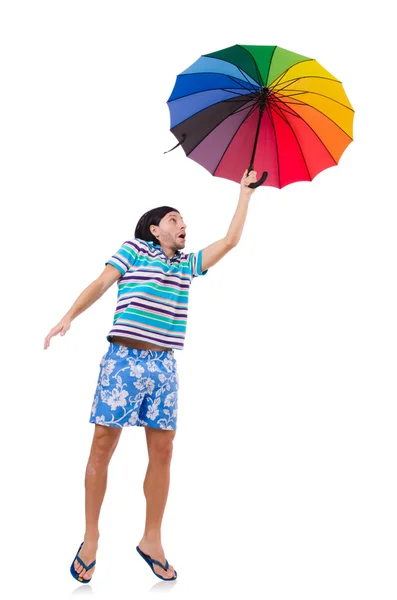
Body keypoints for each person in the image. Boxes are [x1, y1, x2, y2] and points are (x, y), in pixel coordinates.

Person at [43, 169, 258, 583]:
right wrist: (69, 316)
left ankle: (152, 539)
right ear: (154, 228)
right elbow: (102, 282)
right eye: (175, 220)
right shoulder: (135, 251)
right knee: (103, 446)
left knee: (163, 453)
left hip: (164, 365)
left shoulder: (187, 265)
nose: (183, 226)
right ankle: (91, 537)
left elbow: (230, 241)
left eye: (184, 222)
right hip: (123, 360)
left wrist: (244, 194)